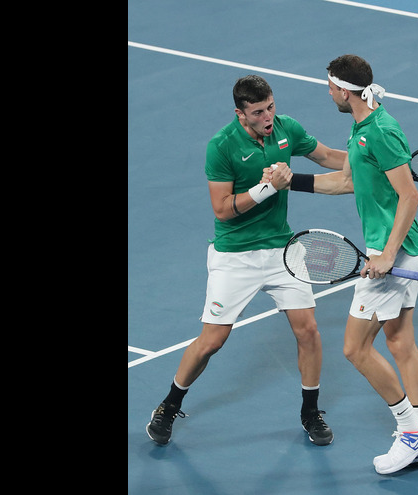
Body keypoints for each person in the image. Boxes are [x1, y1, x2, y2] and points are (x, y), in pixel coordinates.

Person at [145, 75, 348, 447]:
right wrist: (266, 186)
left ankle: (310, 410)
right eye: (258, 112)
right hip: (235, 256)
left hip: (282, 248)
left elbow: (329, 157)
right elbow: (222, 210)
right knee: (212, 341)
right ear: (241, 113)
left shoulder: (287, 129)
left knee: (308, 330)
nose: (268, 116)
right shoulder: (220, 146)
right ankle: (169, 405)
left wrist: (373, 162)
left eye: (270, 106)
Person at [282, 54, 418, 474]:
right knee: (400, 342)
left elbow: (410, 197)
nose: (328, 93)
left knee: (354, 348)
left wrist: (386, 254)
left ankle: (414, 435)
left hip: (393, 252)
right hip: (400, 247)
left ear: (343, 90)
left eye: (330, 87)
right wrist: (290, 183)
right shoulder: (363, 127)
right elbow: (349, 180)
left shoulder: (381, 132)